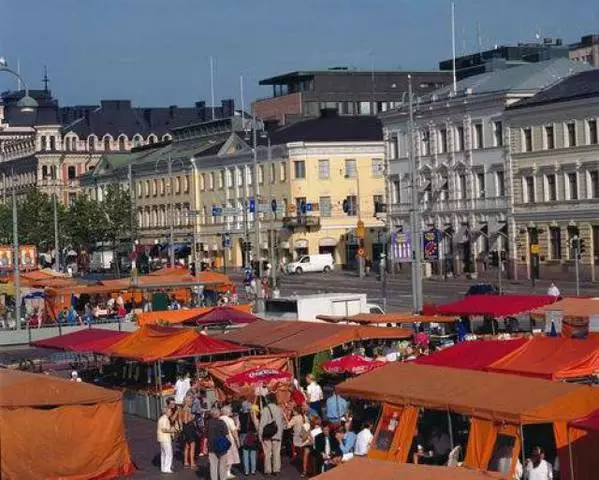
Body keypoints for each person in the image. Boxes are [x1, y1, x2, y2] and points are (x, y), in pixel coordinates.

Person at [259, 394, 285, 476]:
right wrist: (280, 434)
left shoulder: (265, 410)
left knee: (267, 453)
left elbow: (262, 424)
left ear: (268, 400)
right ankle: (276, 469)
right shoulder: (279, 409)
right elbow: (281, 424)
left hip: (267, 434)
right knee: (276, 452)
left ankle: (268, 470)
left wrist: (260, 435)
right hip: (277, 434)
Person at [286, 404, 311, 477]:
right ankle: (306, 469)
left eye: (293, 411)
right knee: (305, 455)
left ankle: (304, 470)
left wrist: (285, 417)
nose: (293, 412)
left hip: (298, 439)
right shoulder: (305, 417)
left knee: (302, 455)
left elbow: (288, 426)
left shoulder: (295, 418)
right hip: (306, 438)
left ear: (296, 411)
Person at [207, 407, 229, 480]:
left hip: (211, 446)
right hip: (222, 446)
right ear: (218, 414)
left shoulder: (208, 423)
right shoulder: (222, 423)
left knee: (213, 466)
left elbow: (205, 434)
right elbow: (227, 435)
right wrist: (229, 445)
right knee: (222, 466)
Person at [239, 399, 259, 476]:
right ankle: (253, 470)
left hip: (243, 435)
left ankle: (246, 471)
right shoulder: (252, 415)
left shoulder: (240, 415)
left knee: (245, 454)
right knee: (253, 453)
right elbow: (256, 426)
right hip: (252, 434)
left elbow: (239, 426)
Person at [220, 405, 240, 479]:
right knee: (230, 457)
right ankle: (227, 472)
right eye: (230, 411)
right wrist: (237, 440)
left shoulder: (219, 419)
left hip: (220, 440)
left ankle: (222, 472)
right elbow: (234, 431)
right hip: (229, 440)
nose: (231, 412)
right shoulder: (230, 420)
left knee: (222, 457)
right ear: (228, 412)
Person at [180, 395, 198, 469]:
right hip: (189, 428)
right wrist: (193, 417)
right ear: (188, 401)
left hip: (186, 428)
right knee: (192, 445)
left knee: (187, 446)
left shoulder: (183, 408)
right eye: (191, 401)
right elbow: (186, 420)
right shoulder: (187, 409)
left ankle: (186, 462)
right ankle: (192, 463)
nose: (192, 402)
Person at [157, 405, 176, 474]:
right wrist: (172, 431)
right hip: (166, 439)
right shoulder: (165, 419)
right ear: (166, 412)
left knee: (163, 454)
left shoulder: (161, 418)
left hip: (161, 439)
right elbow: (164, 429)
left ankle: (163, 467)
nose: (171, 412)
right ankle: (167, 468)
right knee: (169, 454)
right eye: (170, 411)